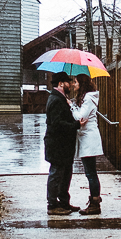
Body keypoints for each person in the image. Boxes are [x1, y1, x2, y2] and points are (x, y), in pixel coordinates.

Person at [43, 72, 81, 214]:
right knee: (56, 174)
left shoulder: (61, 98)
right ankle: (52, 205)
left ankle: (64, 202)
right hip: (57, 144)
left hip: (63, 145)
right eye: (68, 82)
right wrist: (75, 125)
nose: (70, 85)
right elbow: (57, 123)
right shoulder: (56, 100)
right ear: (60, 84)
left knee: (65, 174)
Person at [71, 74, 104, 215]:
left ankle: (95, 204)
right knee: (90, 173)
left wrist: (72, 106)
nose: (73, 84)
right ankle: (94, 201)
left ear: (82, 84)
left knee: (91, 174)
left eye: (76, 82)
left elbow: (80, 117)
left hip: (89, 139)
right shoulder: (85, 98)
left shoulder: (88, 99)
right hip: (86, 138)